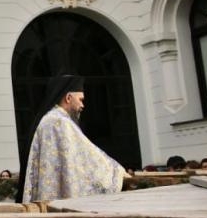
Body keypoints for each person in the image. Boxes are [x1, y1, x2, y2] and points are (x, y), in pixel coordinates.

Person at [18, 75, 128, 203]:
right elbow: (87, 154)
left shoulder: (49, 119)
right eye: (80, 99)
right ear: (68, 98)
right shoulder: (60, 122)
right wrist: (116, 171)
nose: (82, 105)